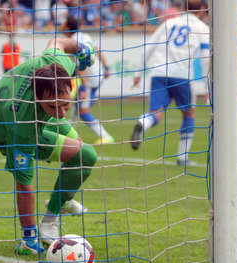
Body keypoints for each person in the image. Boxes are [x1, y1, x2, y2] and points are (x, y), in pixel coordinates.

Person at [0, 37, 97, 255]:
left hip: (38, 113)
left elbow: (57, 41)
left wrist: (82, 49)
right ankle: (46, 223)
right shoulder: (23, 122)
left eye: (66, 104)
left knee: (79, 151)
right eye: (55, 106)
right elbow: (23, 184)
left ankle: (64, 198)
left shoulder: (56, 64)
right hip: (3, 132)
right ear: (37, 98)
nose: (63, 112)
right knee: (86, 156)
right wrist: (29, 235)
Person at [130, 0, 210, 166]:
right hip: (182, 76)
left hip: (159, 73)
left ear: (182, 8)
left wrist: (138, 72)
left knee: (156, 112)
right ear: (202, 9)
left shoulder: (169, 23)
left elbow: (149, 46)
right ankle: (182, 157)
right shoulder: (202, 28)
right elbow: (205, 60)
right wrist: (208, 86)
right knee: (189, 114)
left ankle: (142, 123)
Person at [62, 16, 115, 145]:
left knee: (84, 112)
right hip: (98, 75)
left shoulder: (71, 43)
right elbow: (98, 51)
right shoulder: (85, 36)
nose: (61, 26)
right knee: (76, 105)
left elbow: (80, 67)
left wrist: (84, 88)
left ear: (68, 28)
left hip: (89, 80)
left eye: (63, 24)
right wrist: (106, 67)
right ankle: (67, 134)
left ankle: (106, 137)